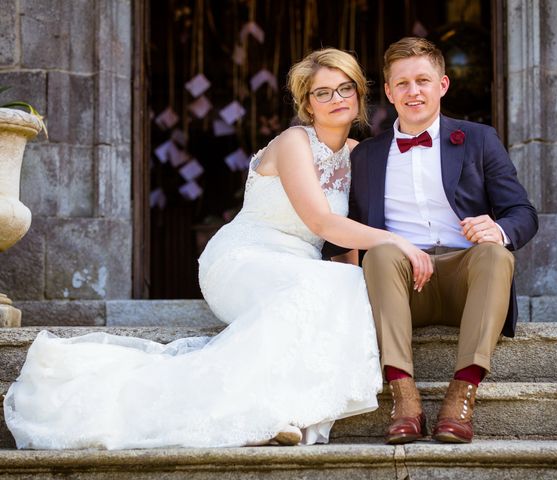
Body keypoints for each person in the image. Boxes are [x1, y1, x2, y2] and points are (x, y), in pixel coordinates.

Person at [3, 48, 432, 450]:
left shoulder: (359, 154)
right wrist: (395, 240)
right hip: (243, 258)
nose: (335, 98)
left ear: (360, 93)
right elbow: (322, 221)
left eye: (345, 88)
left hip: (301, 267)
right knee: (321, 287)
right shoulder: (293, 143)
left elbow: (341, 242)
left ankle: (282, 409)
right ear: (308, 103)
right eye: (322, 92)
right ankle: (254, 410)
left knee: (344, 283)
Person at [324, 37, 538, 445]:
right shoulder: (366, 155)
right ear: (388, 91)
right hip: (402, 285)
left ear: (442, 85)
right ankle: (403, 396)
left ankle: (463, 394)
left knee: (495, 254)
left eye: (422, 80)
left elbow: (523, 214)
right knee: (382, 253)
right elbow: (346, 231)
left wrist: (499, 229)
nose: (413, 91)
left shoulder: (479, 139)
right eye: (402, 83)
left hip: (467, 279)